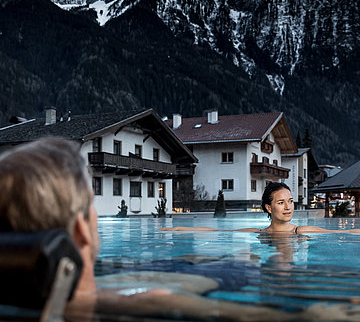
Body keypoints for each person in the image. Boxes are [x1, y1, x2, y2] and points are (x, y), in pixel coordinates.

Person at [0, 137, 303, 321]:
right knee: (243, 266)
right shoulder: (153, 298)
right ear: (81, 228)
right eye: (91, 204)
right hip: (204, 279)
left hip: (151, 274)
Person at [161, 182, 360, 234]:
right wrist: (177, 228)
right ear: (268, 207)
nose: (289, 207)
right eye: (281, 203)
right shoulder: (260, 233)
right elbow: (218, 229)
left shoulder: (301, 230)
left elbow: (345, 231)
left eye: (290, 201)